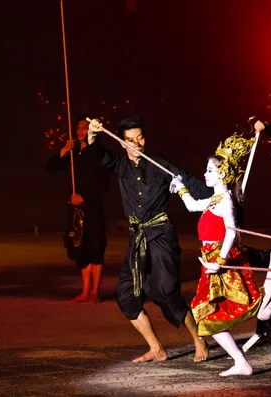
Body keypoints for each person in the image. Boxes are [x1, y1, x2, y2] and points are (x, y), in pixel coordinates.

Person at [87, 116, 210, 363]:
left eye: (140, 138)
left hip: (161, 235)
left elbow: (196, 187)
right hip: (138, 238)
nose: (137, 144)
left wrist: (222, 193)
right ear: (122, 143)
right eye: (130, 140)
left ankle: (199, 340)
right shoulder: (120, 166)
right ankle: (157, 348)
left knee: (165, 292)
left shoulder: (161, 166)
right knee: (126, 295)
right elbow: (98, 155)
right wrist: (92, 134)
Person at [169, 133, 263, 376]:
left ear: (223, 174)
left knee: (207, 313)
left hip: (218, 261)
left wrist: (219, 262)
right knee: (209, 314)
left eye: (210, 171)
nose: (205, 174)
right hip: (210, 260)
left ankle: (241, 360)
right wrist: (180, 188)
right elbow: (192, 205)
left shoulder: (225, 201)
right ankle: (240, 361)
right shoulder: (216, 198)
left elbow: (231, 233)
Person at [46, 115, 110, 303]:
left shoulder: (99, 153)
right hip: (75, 210)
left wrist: (85, 197)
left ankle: (95, 292)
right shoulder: (72, 155)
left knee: (95, 247)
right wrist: (65, 149)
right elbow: (50, 166)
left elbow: (104, 184)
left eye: (85, 127)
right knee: (79, 247)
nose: (81, 131)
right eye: (79, 128)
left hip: (92, 208)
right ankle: (85, 291)